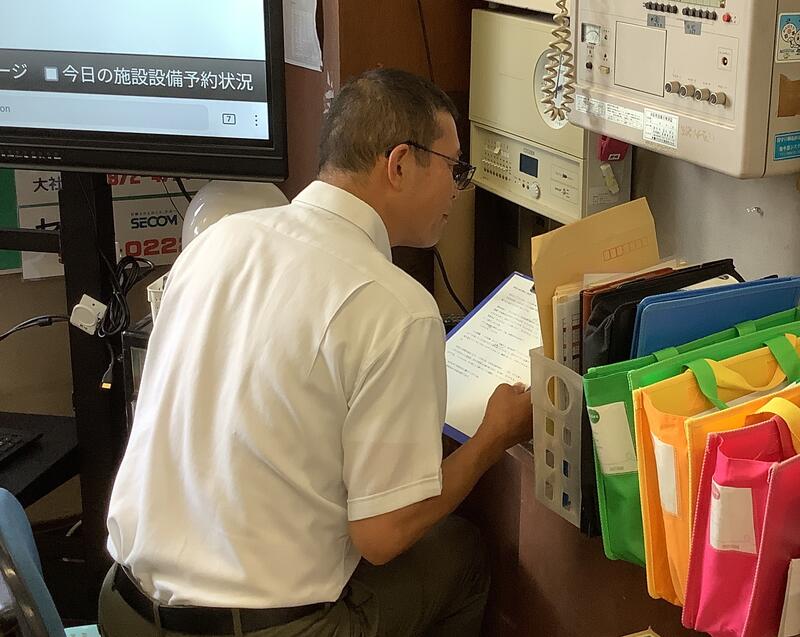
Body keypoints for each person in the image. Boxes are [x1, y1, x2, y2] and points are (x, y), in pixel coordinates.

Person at [99, 68, 533, 637]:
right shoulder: (396, 307)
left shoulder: (218, 241)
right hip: (260, 630)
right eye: (454, 168)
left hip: (123, 607)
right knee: (460, 553)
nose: (458, 188)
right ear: (400, 164)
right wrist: (492, 438)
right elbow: (382, 537)